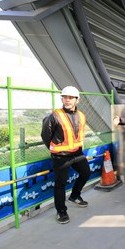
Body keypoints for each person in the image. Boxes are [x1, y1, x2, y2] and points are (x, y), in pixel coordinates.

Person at [41, 86, 90, 224]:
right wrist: (56, 150)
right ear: (62, 98)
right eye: (65, 97)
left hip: (77, 153)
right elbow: (45, 135)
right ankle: (61, 211)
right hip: (61, 156)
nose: (67, 100)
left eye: (70, 97)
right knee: (60, 184)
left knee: (86, 173)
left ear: (77, 100)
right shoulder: (54, 115)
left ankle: (74, 196)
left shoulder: (81, 115)